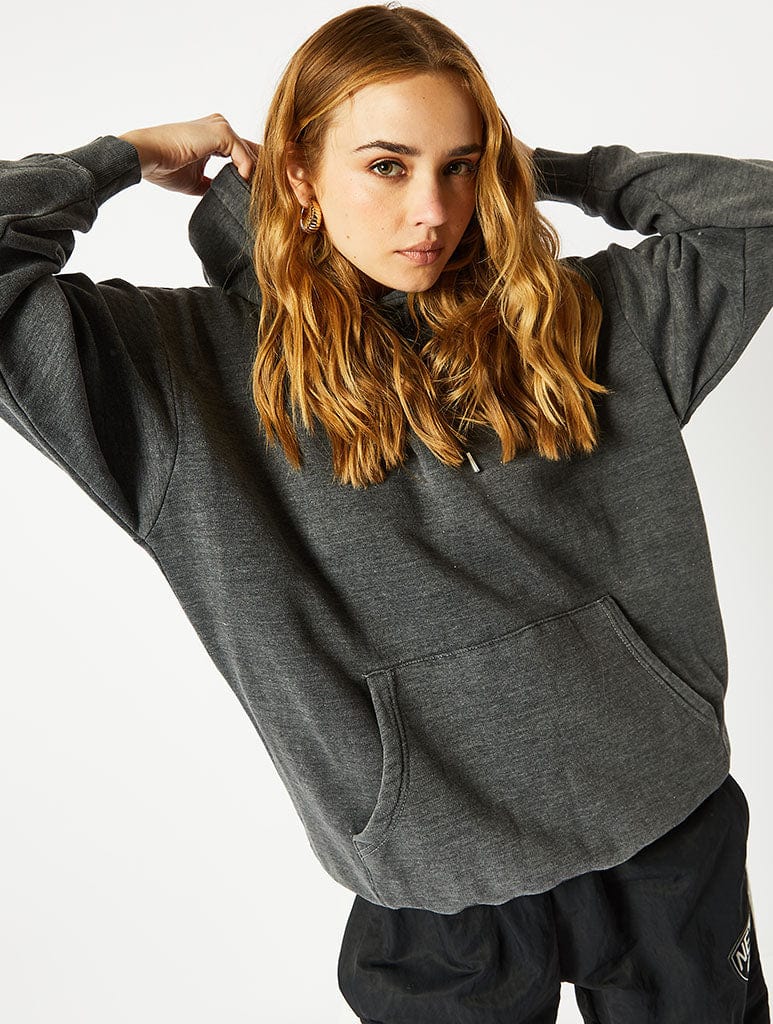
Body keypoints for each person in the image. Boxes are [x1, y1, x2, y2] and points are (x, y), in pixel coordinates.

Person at [1, 3, 770, 1021]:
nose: (431, 211)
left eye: (459, 167)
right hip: (434, 887)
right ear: (297, 175)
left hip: (665, 818)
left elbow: (756, 217)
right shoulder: (177, 376)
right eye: (385, 165)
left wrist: (532, 171)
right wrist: (123, 156)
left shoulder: (581, 320)